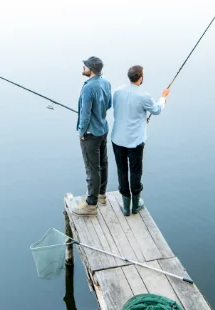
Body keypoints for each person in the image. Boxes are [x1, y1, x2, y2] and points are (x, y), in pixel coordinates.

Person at [111, 65, 170, 217]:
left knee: (122, 170)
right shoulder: (144, 96)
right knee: (135, 172)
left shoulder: (117, 92)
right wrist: (163, 97)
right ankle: (135, 205)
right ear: (141, 78)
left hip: (117, 139)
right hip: (135, 141)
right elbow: (156, 110)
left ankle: (125, 207)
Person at [72, 56, 112, 216]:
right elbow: (108, 104)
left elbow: (85, 113)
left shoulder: (88, 88)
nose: (83, 67)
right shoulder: (106, 83)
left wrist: (81, 131)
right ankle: (101, 195)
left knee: (91, 168)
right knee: (103, 163)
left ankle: (91, 205)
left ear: (92, 69)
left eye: (86, 66)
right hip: (102, 129)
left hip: (90, 133)